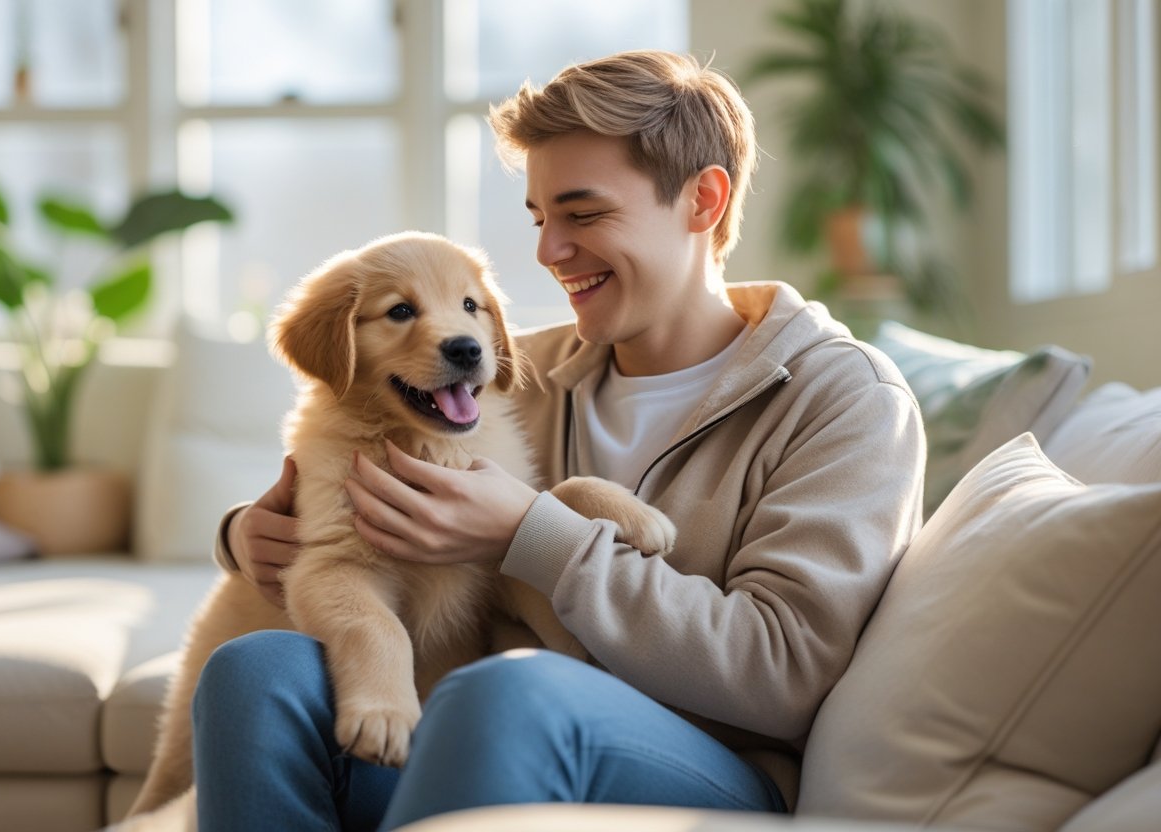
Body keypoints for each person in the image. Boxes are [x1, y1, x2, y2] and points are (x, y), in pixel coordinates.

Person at [194, 50, 926, 831]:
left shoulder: (843, 400)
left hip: (707, 767)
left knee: (511, 688)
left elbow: (782, 670)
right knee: (256, 670)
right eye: (541, 219)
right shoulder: (506, 373)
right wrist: (248, 536)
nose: (547, 253)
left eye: (583, 214)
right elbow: (352, 496)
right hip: (469, 735)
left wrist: (531, 535)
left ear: (703, 201)